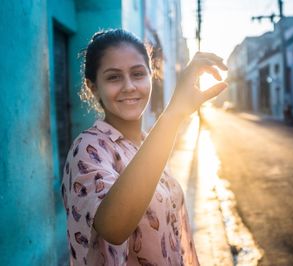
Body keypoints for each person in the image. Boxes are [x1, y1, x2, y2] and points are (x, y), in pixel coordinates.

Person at [61, 28, 227, 266]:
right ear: (93, 87)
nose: (129, 86)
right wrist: (173, 114)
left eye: (138, 74)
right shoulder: (88, 148)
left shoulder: (145, 142)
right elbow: (115, 227)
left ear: (152, 76)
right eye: (113, 77)